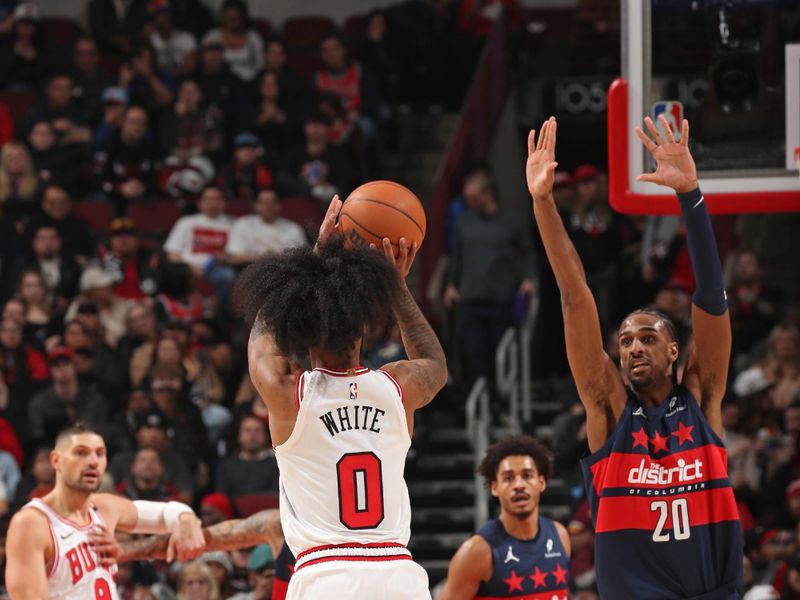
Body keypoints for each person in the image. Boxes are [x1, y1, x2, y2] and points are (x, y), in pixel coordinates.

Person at [526, 115, 742, 598]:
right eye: (624, 341)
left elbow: (711, 294)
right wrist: (543, 203)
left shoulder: (702, 395)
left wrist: (690, 194)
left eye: (646, 337)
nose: (633, 347)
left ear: (673, 351)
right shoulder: (609, 408)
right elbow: (574, 295)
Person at [240, 197, 448, 598]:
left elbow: (260, 345)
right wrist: (396, 285)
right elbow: (433, 361)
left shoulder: (291, 394)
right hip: (397, 574)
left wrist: (311, 263)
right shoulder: (396, 387)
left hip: (327, 575)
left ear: (303, 334)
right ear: (364, 331)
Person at [4, 421, 205, 598]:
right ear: (56, 460)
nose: (93, 461)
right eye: (81, 453)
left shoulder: (104, 507)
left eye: (99, 453)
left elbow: (165, 513)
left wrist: (186, 518)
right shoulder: (31, 523)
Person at [438, 434, 571, 599]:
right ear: (495, 487)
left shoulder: (560, 535)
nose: (519, 485)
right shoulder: (477, 551)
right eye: (508, 478)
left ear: (541, 482)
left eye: (527, 475)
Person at [225, 189, 307, 266]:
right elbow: (233, 256)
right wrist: (264, 257)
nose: (268, 206)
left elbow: (300, 258)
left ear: (279, 206)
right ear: (255, 205)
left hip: (283, 272)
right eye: (263, 202)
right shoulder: (243, 224)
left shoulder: (293, 228)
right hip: (247, 269)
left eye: (272, 202)